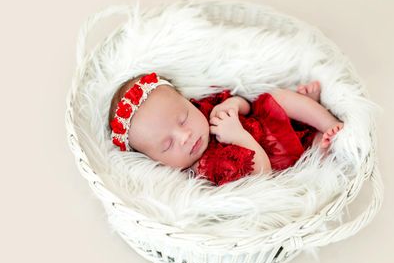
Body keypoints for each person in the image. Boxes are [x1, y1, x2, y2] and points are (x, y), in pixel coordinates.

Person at [109, 72, 343, 185]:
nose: (185, 136)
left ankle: (324, 120)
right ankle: (317, 144)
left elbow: (247, 106)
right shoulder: (205, 169)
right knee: (308, 162)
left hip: (272, 124)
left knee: (272, 98)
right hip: (282, 161)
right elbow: (262, 176)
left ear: (188, 102)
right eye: (167, 145)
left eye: (183, 119)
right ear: (155, 162)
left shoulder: (205, 111)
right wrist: (239, 136)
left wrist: (232, 104)